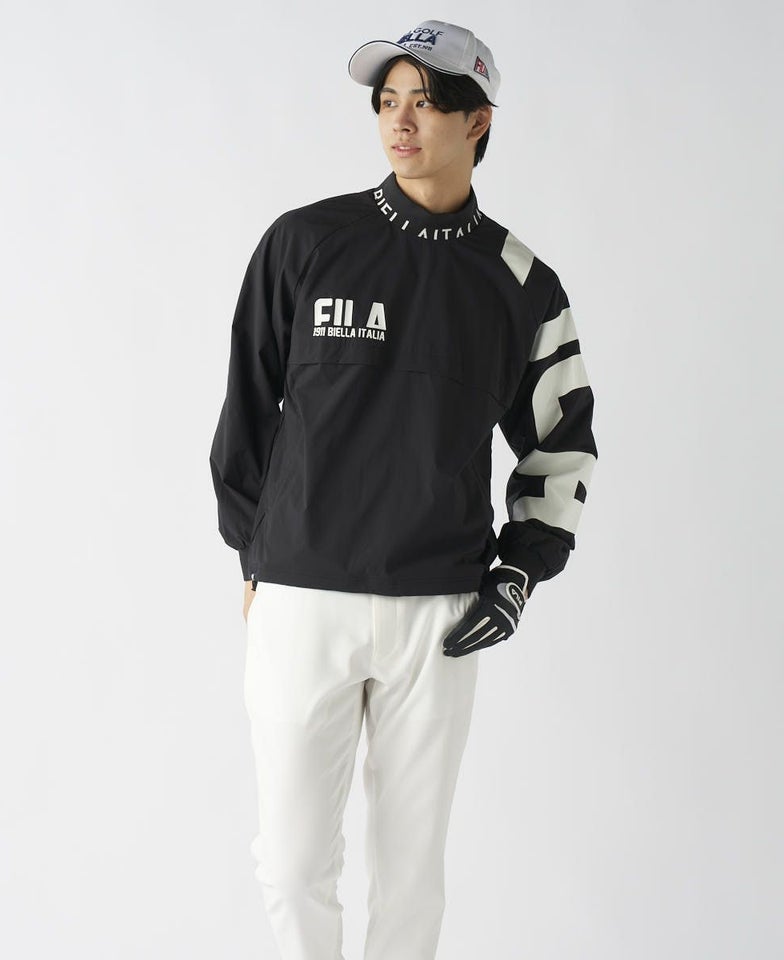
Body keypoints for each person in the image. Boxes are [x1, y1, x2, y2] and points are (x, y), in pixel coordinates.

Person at [209, 18, 597, 960]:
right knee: (291, 866)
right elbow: (248, 407)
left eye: (426, 101)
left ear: (479, 121)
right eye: (387, 101)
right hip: (302, 596)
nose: (401, 121)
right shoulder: (306, 242)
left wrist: (517, 575)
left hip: (439, 613)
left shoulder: (524, 285)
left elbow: (563, 443)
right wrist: (255, 556)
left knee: (411, 878)